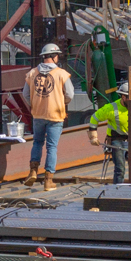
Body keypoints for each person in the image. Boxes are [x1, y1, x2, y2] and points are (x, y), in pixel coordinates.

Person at [23, 43, 74, 191]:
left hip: (38, 114)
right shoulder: (61, 74)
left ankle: (33, 171)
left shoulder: (32, 73)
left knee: (37, 143)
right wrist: (61, 102)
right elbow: (70, 94)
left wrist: (35, 104)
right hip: (56, 115)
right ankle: (48, 181)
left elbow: (25, 94)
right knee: (52, 147)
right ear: (53, 56)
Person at [88, 79, 130, 184]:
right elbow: (94, 118)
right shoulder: (111, 108)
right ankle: (118, 191)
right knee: (120, 169)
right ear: (123, 97)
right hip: (117, 140)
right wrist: (93, 136)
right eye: (130, 98)